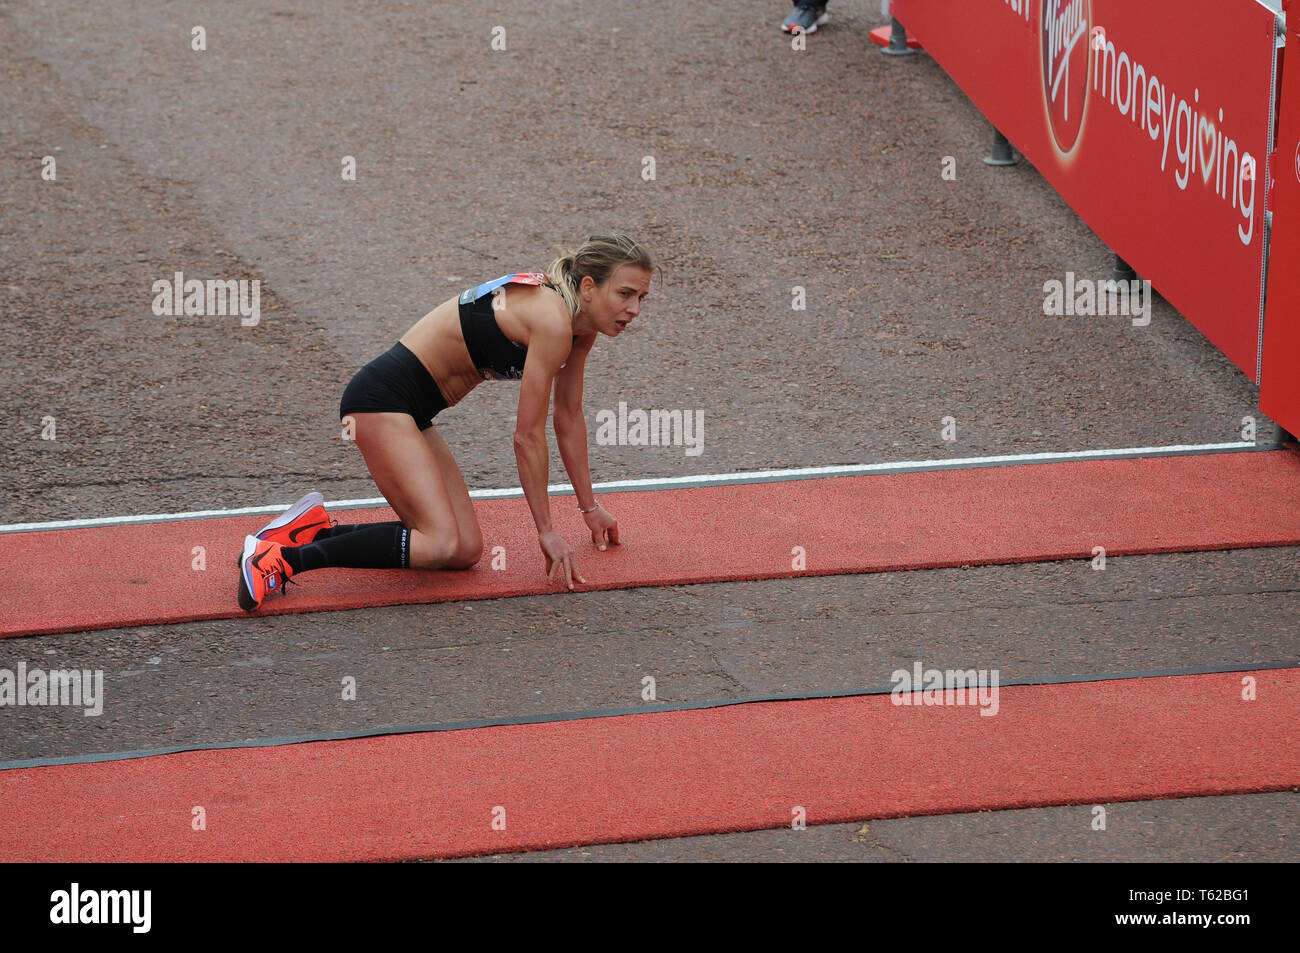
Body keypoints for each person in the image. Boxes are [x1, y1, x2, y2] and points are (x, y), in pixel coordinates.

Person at [237, 233, 659, 612]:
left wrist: (590, 508)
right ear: (588, 287)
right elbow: (527, 437)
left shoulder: (579, 329)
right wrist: (546, 530)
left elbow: (567, 418)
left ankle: (309, 532)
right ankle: (279, 560)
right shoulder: (551, 320)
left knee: (464, 550)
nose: (634, 309)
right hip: (377, 403)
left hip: (412, 412)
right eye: (625, 293)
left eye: (641, 297)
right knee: (438, 542)